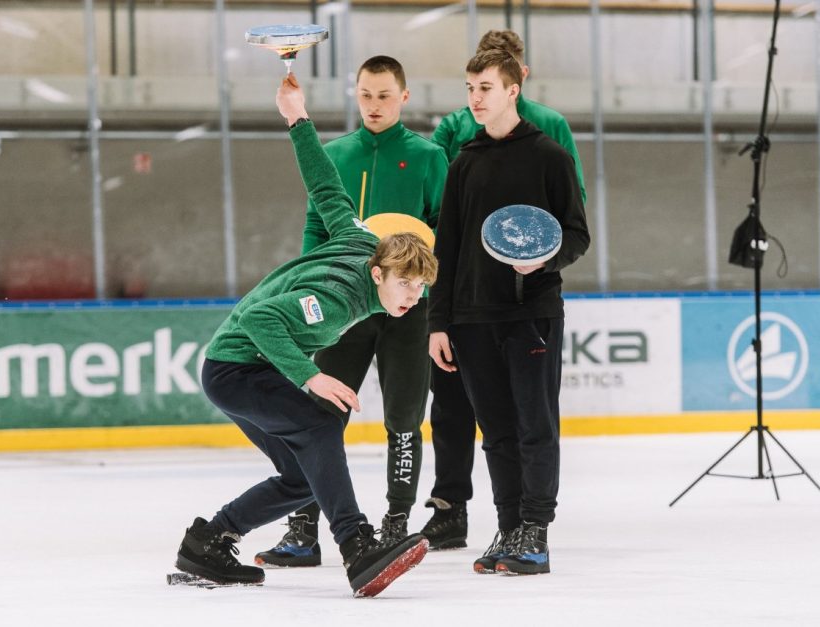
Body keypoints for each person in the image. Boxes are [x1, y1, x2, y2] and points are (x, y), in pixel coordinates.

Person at [173, 73, 436, 597]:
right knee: (320, 425)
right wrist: (311, 377)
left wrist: (297, 116)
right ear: (379, 274)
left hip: (246, 368)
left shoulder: (358, 236)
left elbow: (323, 184)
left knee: (300, 477)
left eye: (421, 288)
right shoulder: (338, 298)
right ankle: (357, 545)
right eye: (405, 285)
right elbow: (259, 319)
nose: (412, 297)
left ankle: (209, 543)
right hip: (237, 369)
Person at [255, 56, 448, 568]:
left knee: (405, 417)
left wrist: (435, 305)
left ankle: (395, 524)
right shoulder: (336, 154)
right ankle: (303, 524)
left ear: (404, 97)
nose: (374, 105)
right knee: (320, 415)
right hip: (344, 306)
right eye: (365, 94)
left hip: (409, 309)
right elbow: (315, 232)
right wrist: (307, 291)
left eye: (384, 95)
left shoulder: (429, 157)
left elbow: (442, 235)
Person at [420, 29, 587, 551]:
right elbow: (444, 248)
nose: (475, 97)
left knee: (534, 425)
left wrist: (545, 261)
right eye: (470, 86)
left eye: (486, 87)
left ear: (513, 90)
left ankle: (535, 530)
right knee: (494, 433)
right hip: (470, 319)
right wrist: (439, 322)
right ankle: (510, 526)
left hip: (531, 313)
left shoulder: (549, 157)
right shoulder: (464, 163)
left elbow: (577, 234)